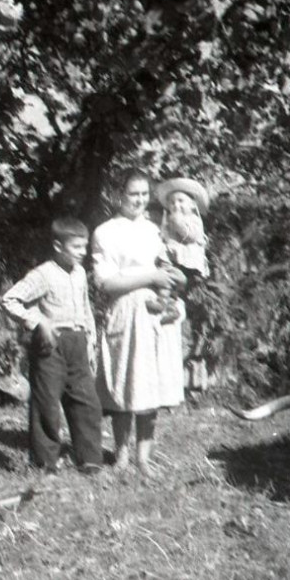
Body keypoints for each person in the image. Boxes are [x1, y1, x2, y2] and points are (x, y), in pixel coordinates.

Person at [91, 171, 187, 477]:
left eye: (145, 194)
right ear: (119, 195)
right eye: (134, 194)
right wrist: (151, 277)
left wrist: (174, 277)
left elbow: (171, 267)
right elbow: (106, 283)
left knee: (151, 387)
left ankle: (144, 457)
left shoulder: (157, 230)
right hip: (126, 310)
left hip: (157, 313)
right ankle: (121, 455)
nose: (140, 200)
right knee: (125, 383)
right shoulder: (106, 232)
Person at [0, 217, 104, 473]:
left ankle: (90, 458)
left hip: (77, 342)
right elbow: (9, 300)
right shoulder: (43, 274)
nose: (83, 253)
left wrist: (90, 338)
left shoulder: (79, 272)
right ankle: (45, 461)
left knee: (86, 401)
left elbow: (85, 307)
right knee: (46, 402)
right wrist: (39, 322)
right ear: (58, 246)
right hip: (50, 345)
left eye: (84, 247)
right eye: (76, 247)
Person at [156, 177, 211, 391]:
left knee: (181, 284)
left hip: (189, 262)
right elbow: (164, 236)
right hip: (174, 258)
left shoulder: (194, 220)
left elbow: (192, 236)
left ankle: (196, 371)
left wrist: (177, 222)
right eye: (172, 203)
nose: (176, 206)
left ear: (192, 205)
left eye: (181, 201)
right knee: (166, 276)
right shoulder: (168, 219)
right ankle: (166, 303)